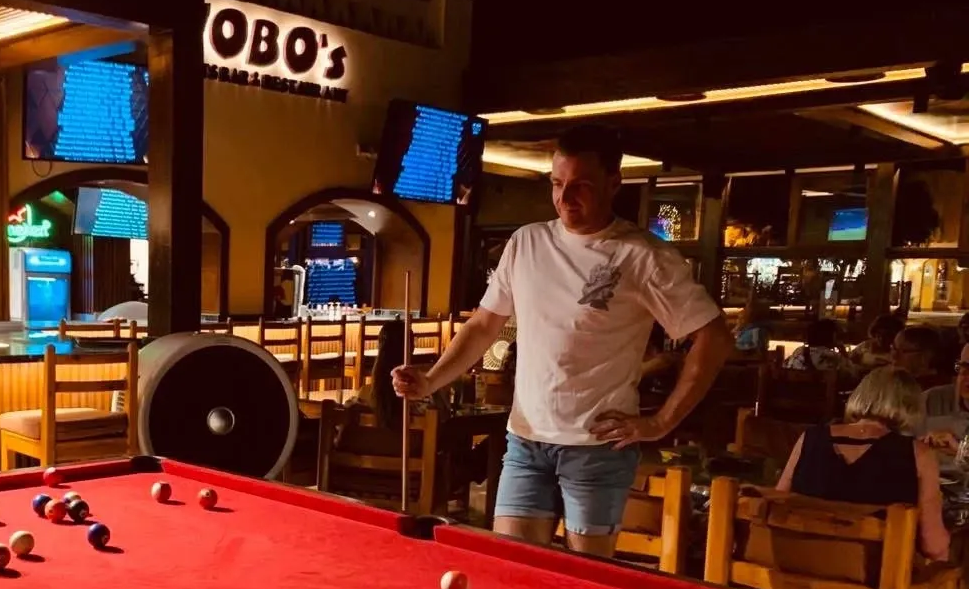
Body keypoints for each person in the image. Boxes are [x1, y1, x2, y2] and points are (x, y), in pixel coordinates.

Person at [393, 124, 734, 556]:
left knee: (582, 580)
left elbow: (715, 338)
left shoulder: (644, 255)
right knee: (513, 567)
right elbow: (483, 326)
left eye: (581, 186)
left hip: (597, 448)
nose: (565, 198)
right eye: (557, 184)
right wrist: (430, 380)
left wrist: (661, 422)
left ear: (614, 183)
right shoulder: (526, 242)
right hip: (525, 441)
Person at [777, 367, 949, 561]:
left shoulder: (809, 439)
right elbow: (932, 545)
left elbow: (776, 504)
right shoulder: (919, 454)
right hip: (874, 575)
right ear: (911, 407)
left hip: (797, 564)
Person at [339, 318, 488, 497]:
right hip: (413, 487)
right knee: (485, 451)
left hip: (359, 484)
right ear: (411, 349)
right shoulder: (424, 404)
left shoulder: (357, 402)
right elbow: (445, 429)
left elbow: (340, 442)